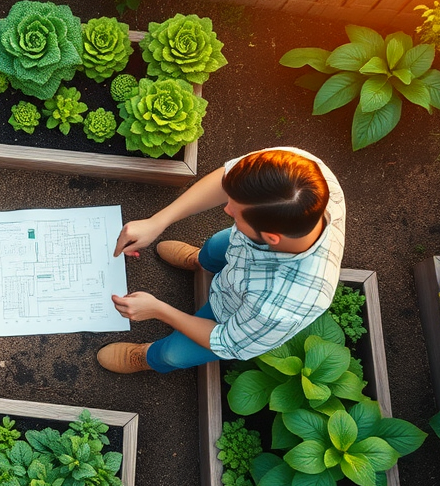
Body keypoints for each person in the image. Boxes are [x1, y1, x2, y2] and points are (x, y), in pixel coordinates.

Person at [97, 147, 346, 374]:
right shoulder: (301, 173)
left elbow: (226, 341)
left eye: (235, 214)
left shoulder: (283, 307)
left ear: (271, 237)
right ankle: (199, 262)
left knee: (173, 353)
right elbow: (226, 179)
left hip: (230, 312)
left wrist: (158, 310)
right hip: (244, 255)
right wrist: (158, 222)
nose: (226, 209)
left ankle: (146, 357)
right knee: (216, 246)